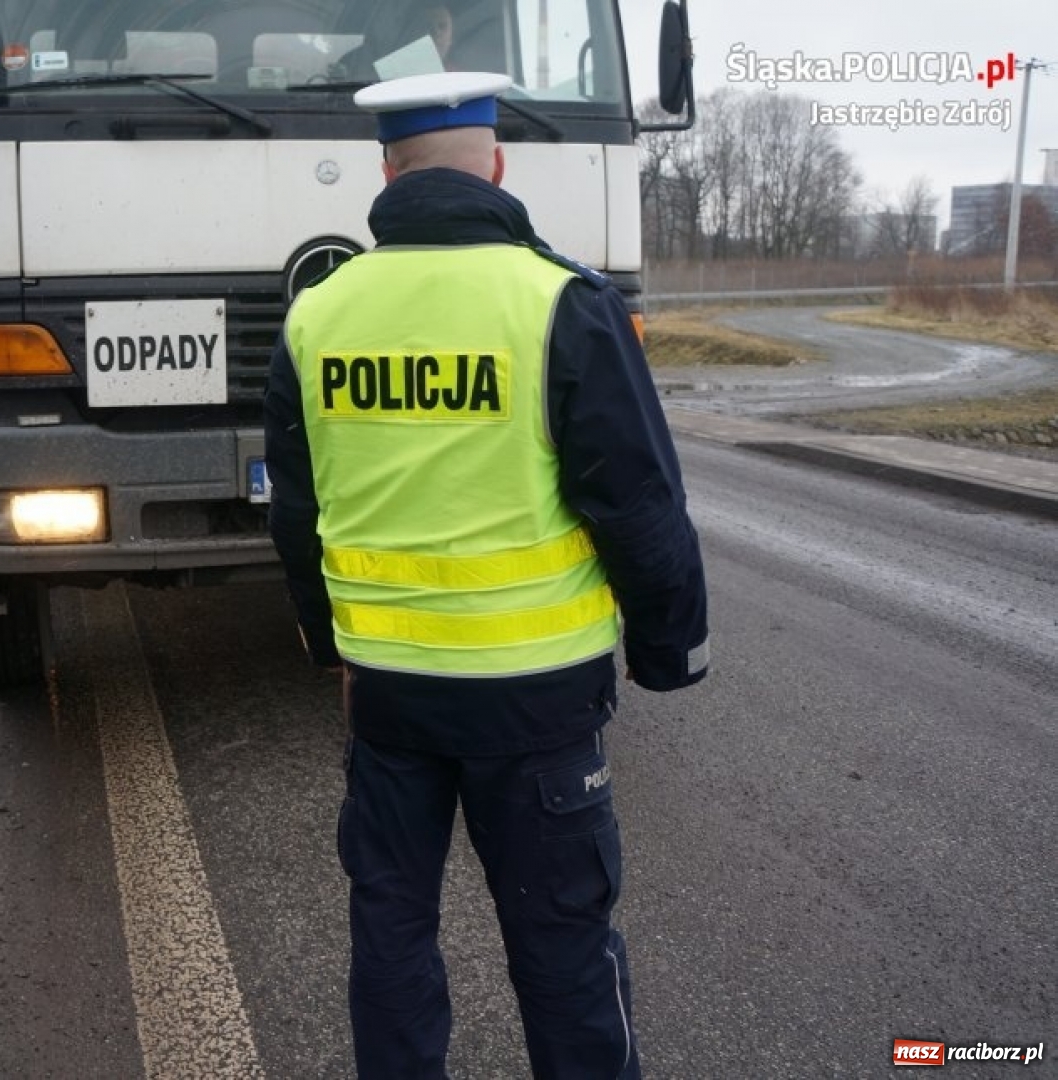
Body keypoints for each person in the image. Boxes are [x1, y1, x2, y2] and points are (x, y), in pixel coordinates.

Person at [264, 71, 708, 1079]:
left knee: (391, 938)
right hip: (538, 702)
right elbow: (636, 502)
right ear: (496, 165)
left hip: (388, 699)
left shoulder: (316, 318)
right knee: (561, 950)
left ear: (386, 172)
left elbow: (297, 514)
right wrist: (666, 645)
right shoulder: (560, 302)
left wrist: (328, 643)